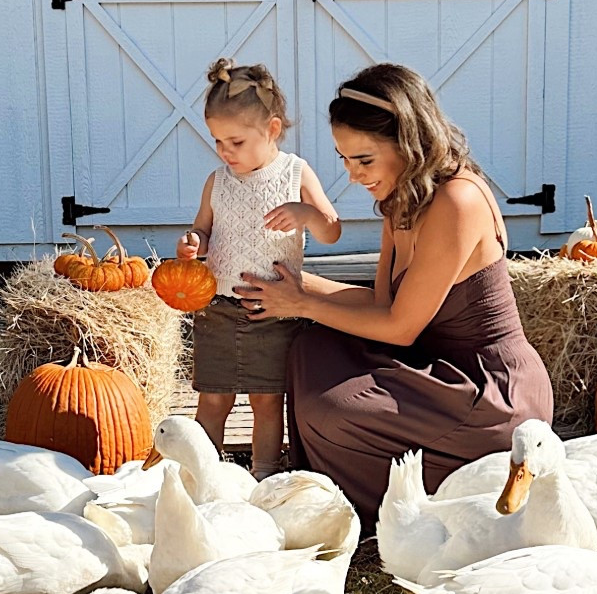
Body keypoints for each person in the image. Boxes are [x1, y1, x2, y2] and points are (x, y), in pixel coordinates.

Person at [233, 62, 554, 533]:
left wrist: (303, 302)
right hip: (434, 366)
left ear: (408, 142)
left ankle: (376, 514)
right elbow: (382, 303)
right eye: (344, 160)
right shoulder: (402, 199)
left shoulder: (456, 202)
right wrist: (294, 285)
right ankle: (335, 495)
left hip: (488, 393)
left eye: (364, 160)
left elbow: (400, 327)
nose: (353, 175)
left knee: (336, 409)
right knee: (311, 349)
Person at [177, 58, 342, 480]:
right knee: (213, 399)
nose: (225, 152)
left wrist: (306, 211)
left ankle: (265, 475)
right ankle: (204, 474)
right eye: (217, 141)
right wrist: (195, 242)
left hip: (274, 312)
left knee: (267, 401)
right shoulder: (218, 181)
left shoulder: (295, 173)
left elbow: (331, 231)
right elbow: (204, 227)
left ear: (271, 129)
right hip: (218, 309)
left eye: (235, 141)